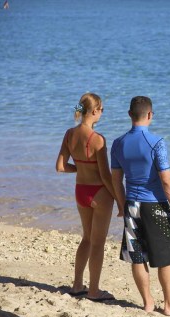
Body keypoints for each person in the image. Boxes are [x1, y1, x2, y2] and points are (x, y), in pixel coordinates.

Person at [110, 96, 170, 316]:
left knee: (137, 256)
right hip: (155, 205)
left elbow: (115, 180)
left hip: (132, 206)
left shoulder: (118, 143)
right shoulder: (156, 142)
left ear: (129, 115)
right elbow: (167, 180)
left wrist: (121, 205)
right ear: (150, 115)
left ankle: (147, 302)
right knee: (166, 258)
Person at [55, 93, 117, 301]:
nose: (102, 113)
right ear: (94, 111)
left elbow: (61, 167)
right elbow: (106, 175)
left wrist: (80, 167)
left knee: (87, 239)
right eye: (101, 109)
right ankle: (94, 290)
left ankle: (76, 285)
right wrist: (120, 198)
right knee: (98, 243)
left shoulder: (69, 134)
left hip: (80, 191)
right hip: (99, 193)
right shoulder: (98, 140)